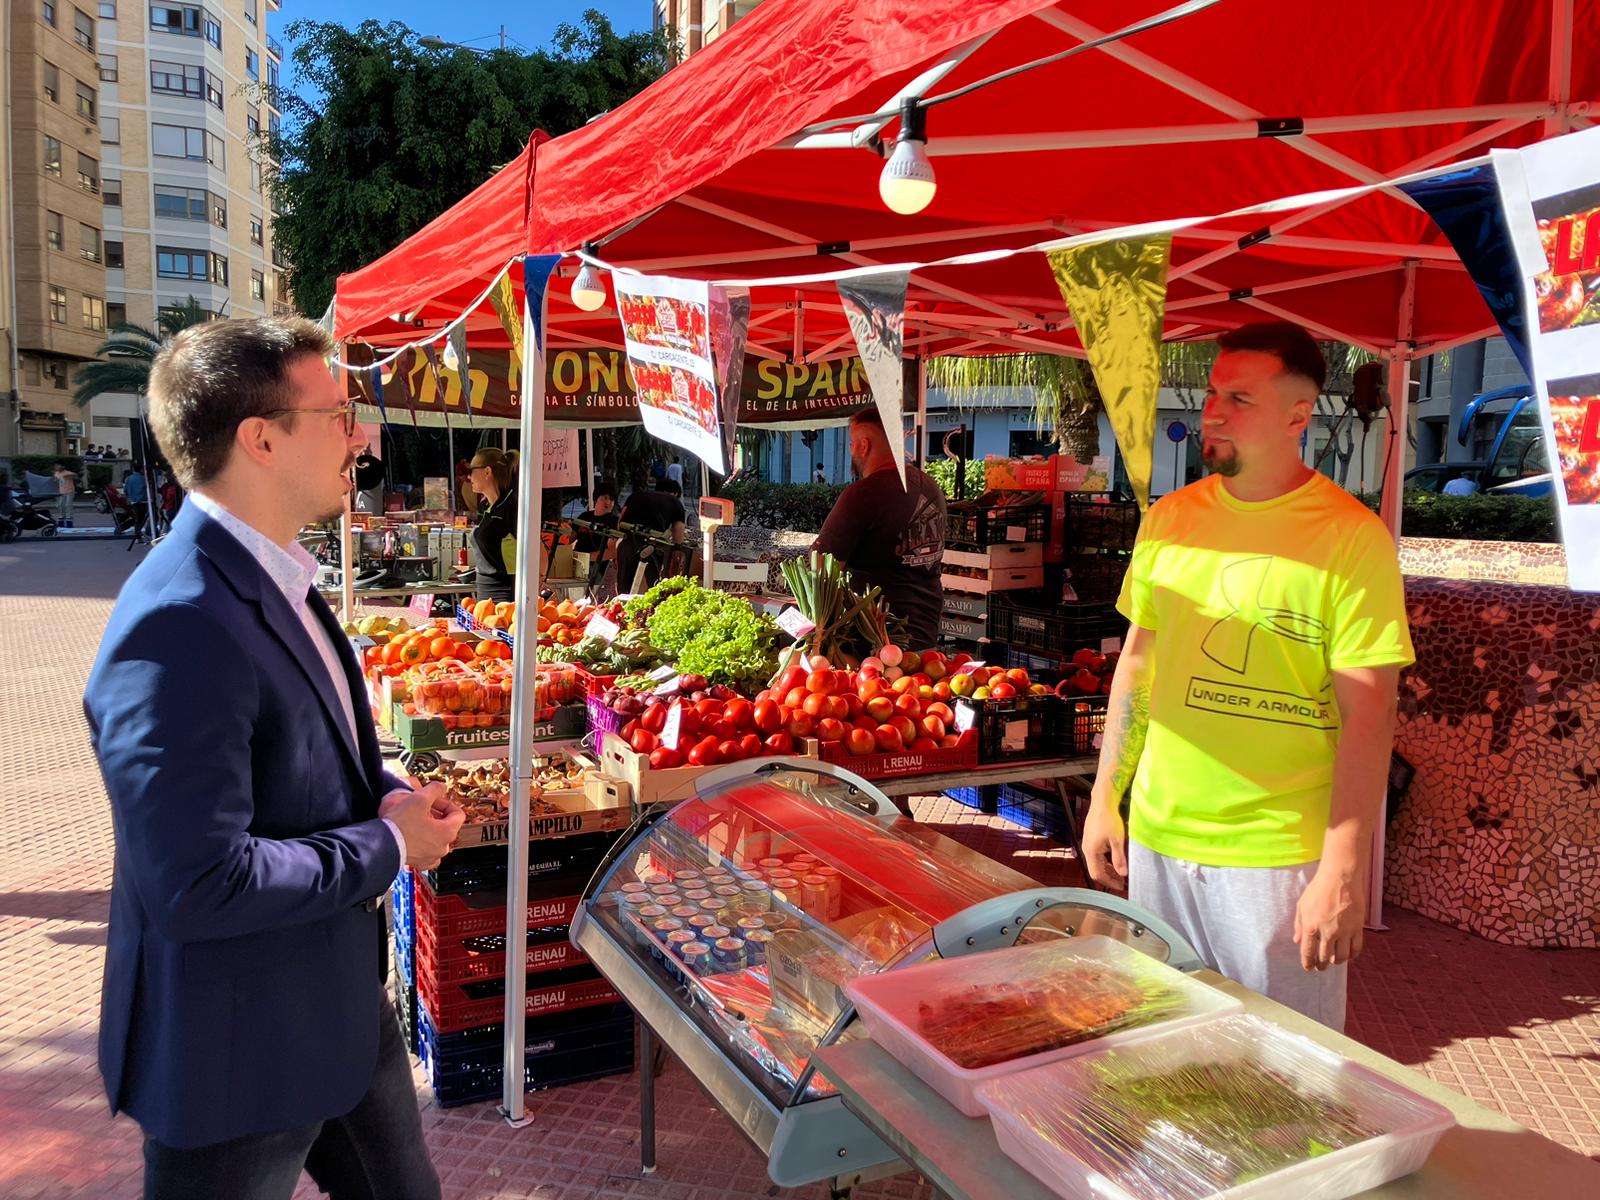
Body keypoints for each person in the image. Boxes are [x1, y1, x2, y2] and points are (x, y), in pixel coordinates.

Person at [83, 316, 463, 1200]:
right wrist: (389, 847)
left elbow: (311, 755)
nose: (358, 434)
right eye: (336, 412)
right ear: (260, 439)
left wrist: (390, 794)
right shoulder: (178, 620)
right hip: (234, 1051)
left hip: (331, 999)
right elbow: (195, 882)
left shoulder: (276, 574)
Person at [1081, 321, 1412, 1033]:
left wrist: (1344, 872)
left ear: (1298, 415)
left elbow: (1370, 715)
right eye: (1211, 394)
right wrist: (1108, 795)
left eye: (1240, 398)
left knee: (1281, 1084)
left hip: (1276, 861)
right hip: (1162, 844)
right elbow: (1138, 664)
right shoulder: (1170, 520)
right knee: (1155, 1056)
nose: (1214, 412)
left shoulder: (1350, 538)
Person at [813, 409, 946, 649]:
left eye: (852, 443)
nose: (851, 449)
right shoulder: (930, 486)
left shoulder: (863, 494)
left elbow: (819, 568)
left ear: (864, 446)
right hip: (925, 637)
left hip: (876, 643)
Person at [617, 476, 687, 593]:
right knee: (654, 586)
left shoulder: (636, 495)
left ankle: (620, 607)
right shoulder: (675, 502)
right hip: (652, 545)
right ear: (675, 493)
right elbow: (678, 535)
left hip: (627, 540)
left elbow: (620, 523)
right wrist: (677, 551)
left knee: (624, 584)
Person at [467, 447, 518, 602]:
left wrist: (538, 581)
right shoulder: (485, 507)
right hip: (483, 588)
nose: (469, 477)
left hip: (505, 591)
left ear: (487, 472)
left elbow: (536, 547)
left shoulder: (511, 506)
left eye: (472, 471)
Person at [572, 480, 621, 596]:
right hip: (576, 564)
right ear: (596, 499)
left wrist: (588, 558)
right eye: (605, 497)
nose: (608, 502)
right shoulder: (584, 516)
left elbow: (612, 552)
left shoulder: (614, 521)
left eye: (611, 499)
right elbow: (569, 538)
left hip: (598, 568)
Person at [123, 465, 150, 541]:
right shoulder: (144, 478)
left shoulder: (129, 479)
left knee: (137, 519)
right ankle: (138, 534)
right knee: (142, 519)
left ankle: (137, 535)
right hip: (143, 501)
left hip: (133, 502)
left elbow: (125, 491)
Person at [53, 461, 77, 526]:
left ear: (63, 466)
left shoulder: (68, 473)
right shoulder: (56, 474)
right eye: (56, 466)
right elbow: (56, 482)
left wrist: (72, 475)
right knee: (60, 505)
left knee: (68, 505)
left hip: (69, 491)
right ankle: (61, 517)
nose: (57, 467)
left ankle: (69, 518)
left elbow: (74, 475)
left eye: (58, 465)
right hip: (61, 492)